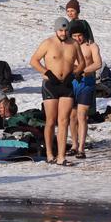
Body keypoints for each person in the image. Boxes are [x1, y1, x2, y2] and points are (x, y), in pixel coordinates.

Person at [30, 17, 85, 165]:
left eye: (66, 30)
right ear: (56, 30)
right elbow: (34, 60)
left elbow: (82, 63)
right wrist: (47, 72)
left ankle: (61, 157)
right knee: (51, 120)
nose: (63, 32)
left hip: (66, 85)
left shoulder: (73, 44)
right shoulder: (48, 43)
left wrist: (74, 75)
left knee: (64, 121)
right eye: (61, 30)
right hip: (50, 84)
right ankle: (49, 154)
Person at [68, 20, 102, 159]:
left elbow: (98, 63)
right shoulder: (68, 46)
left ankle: (82, 148)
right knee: (72, 116)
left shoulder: (92, 46)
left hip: (86, 82)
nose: (77, 38)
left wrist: (82, 71)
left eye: (80, 35)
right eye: (75, 35)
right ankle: (74, 145)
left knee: (82, 115)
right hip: (71, 83)